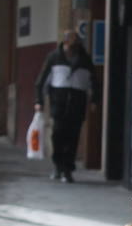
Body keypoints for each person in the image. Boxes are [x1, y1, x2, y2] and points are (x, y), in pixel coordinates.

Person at [34, 30, 96, 182]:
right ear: (65, 43)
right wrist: (39, 101)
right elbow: (41, 81)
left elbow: (94, 81)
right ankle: (58, 165)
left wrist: (95, 99)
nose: (72, 49)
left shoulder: (85, 60)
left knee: (73, 137)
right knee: (58, 135)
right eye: (70, 45)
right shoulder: (54, 58)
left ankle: (67, 168)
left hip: (77, 104)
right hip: (59, 104)